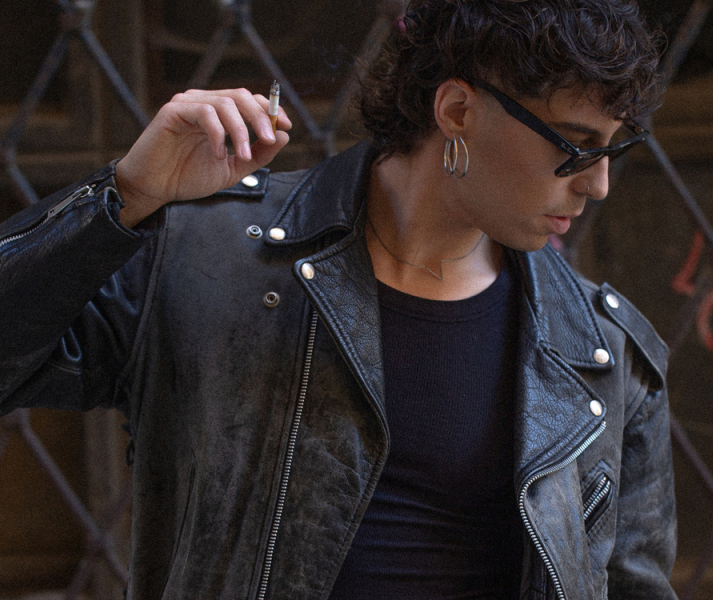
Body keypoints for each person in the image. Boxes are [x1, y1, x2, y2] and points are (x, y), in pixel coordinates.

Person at [0, 0, 677, 598]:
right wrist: (126, 196)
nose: (598, 184)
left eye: (614, 149)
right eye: (576, 146)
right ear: (458, 111)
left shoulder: (601, 355)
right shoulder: (212, 257)